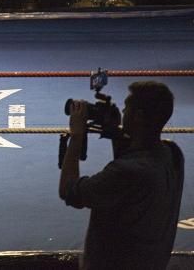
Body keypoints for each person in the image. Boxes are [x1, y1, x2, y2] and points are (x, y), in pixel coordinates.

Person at [60, 81, 184, 269]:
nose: (123, 113)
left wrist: (76, 136)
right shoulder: (172, 154)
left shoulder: (126, 172)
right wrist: (116, 133)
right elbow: (135, 156)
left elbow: (69, 191)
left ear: (139, 116)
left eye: (127, 109)